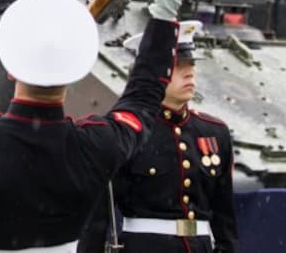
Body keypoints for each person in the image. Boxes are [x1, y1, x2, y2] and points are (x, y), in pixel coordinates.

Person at [0, 0, 217, 253]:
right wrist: (164, 16)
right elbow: (142, 100)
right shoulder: (97, 146)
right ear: (74, 73)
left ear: (11, 70)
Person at [78, 21, 237, 253]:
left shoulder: (214, 131)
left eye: (191, 63)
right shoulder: (129, 133)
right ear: (155, 74)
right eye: (178, 65)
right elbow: (98, 217)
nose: (190, 71)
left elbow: (224, 217)